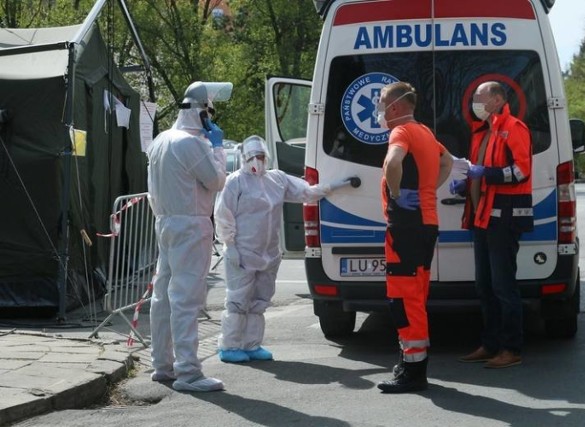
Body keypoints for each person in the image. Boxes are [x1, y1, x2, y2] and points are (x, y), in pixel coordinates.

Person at [214, 135, 351, 363]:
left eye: (260, 156)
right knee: (238, 301)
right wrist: (230, 244)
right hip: (243, 251)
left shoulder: (276, 179)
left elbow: (305, 192)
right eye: (252, 157)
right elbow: (223, 215)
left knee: (259, 302)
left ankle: (252, 344)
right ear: (244, 158)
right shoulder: (235, 182)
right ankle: (230, 345)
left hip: (268, 253)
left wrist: (332, 187)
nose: (257, 160)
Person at [147, 81, 229, 392]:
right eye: (209, 112)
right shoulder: (191, 144)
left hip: (165, 222)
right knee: (185, 298)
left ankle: (162, 364)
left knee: (163, 297)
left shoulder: (161, 140)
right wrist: (218, 147)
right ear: (202, 114)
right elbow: (217, 181)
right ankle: (189, 372)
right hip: (191, 224)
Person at [375, 82, 453, 393]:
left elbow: (393, 162)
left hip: (406, 226)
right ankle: (411, 362)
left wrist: (395, 193)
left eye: (381, 103)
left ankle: (413, 370)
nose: (379, 110)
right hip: (426, 224)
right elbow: (447, 161)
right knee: (416, 296)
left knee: (403, 299)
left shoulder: (402, 132)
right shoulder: (425, 132)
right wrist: (429, 190)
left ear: (394, 107)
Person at [450, 81, 533, 369]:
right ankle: (490, 344)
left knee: (503, 286)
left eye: (480, 97)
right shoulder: (483, 132)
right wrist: (467, 183)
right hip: (482, 217)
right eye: (474, 97)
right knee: (484, 286)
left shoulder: (514, 127)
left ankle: (511, 348)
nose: (475, 101)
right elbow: (480, 171)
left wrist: (486, 173)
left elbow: (522, 171)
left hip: (503, 218)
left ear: (498, 99)